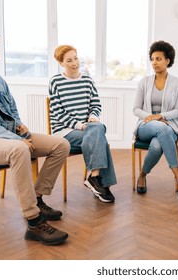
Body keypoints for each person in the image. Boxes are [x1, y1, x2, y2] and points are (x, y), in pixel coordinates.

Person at [0, 30, 70, 245]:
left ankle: (38, 198)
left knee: (61, 144)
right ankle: (33, 221)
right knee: (19, 149)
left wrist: (20, 127)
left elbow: (11, 107)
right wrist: (15, 140)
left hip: (9, 135)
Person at [49, 45, 117, 203]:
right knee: (101, 139)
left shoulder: (87, 80)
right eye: (69, 60)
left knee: (97, 130)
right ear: (61, 63)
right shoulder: (56, 82)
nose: (74, 63)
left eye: (76, 58)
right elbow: (58, 113)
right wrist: (80, 125)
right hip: (65, 131)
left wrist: (94, 115)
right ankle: (98, 182)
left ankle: (95, 180)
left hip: (89, 129)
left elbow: (96, 105)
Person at [133, 40, 178, 198]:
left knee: (157, 146)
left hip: (169, 125)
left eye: (158, 59)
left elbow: (177, 110)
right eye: (152, 59)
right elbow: (136, 109)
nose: (154, 62)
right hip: (146, 126)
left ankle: (142, 175)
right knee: (162, 128)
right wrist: (154, 118)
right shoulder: (144, 82)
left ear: (167, 60)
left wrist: (162, 116)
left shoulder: (177, 83)